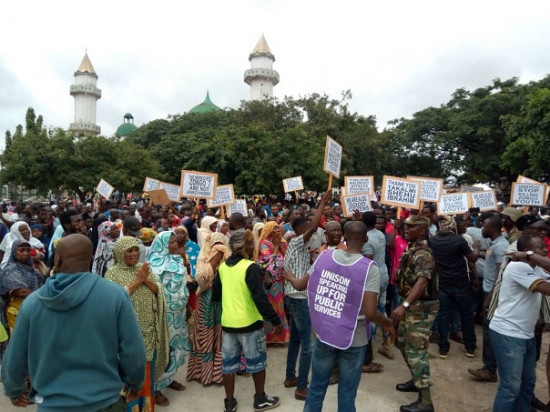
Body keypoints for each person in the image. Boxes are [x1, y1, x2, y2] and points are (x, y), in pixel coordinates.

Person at [1, 234, 146, 410]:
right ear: (91, 259)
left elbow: (15, 356)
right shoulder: (115, 295)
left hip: (52, 404)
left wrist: (14, 390)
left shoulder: (33, 303)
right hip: (105, 401)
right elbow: (133, 349)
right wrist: (135, 382)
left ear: (57, 258)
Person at [285, 221, 395, 412]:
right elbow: (370, 312)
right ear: (366, 239)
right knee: (347, 393)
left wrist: (291, 277)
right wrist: (388, 323)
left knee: (317, 388)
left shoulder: (324, 257)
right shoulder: (370, 268)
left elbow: (301, 285)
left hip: (325, 333)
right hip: (355, 338)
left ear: (344, 235)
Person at [212, 229, 282, 412]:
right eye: (251, 243)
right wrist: (276, 321)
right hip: (250, 324)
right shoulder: (250, 267)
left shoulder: (223, 267)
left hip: (228, 324)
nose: (254, 247)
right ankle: (260, 399)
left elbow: (216, 295)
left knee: (228, 366)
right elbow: (260, 299)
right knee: (257, 363)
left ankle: (229, 403)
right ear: (244, 247)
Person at [106, 237, 170, 411]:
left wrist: (145, 279)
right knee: (129, 375)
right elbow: (115, 299)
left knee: (146, 376)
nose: (135, 254)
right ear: (120, 253)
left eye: (136, 250)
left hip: (149, 331)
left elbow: (158, 290)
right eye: (130, 250)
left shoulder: (143, 269)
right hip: (127, 334)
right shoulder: (112, 273)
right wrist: (137, 281)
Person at [489, 234, 550, 411]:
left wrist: (532, 256)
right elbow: (546, 289)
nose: (545, 250)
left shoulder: (535, 268)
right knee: (510, 388)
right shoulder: (517, 267)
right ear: (526, 251)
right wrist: (530, 256)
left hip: (526, 334)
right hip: (508, 334)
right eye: (540, 247)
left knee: (527, 384)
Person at [283, 191, 331, 400]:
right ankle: (302, 387)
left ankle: (290, 377)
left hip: (292, 296)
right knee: (308, 344)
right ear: (302, 230)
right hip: (299, 297)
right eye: (309, 230)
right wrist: (322, 203)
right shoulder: (297, 241)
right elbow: (313, 227)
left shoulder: (296, 246)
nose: (313, 233)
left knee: (295, 339)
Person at [390, 216, 439, 412]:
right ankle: (416, 380)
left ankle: (425, 402)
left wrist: (404, 305)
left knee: (416, 351)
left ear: (422, 230)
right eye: (405, 225)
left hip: (420, 308)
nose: (406, 228)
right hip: (411, 305)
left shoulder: (423, 254)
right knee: (402, 342)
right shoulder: (413, 248)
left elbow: (422, 283)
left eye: (412, 226)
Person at [148, 231, 191, 406]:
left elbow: (183, 285)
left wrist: (187, 306)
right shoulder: (152, 265)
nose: (175, 244)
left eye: (175, 241)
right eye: (172, 242)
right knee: (163, 348)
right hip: (164, 315)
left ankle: (169, 378)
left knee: (175, 346)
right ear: (162, 245)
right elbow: (152, 293)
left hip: (178, 314)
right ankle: (156, 387)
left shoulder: (177, 260)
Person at [428, 215, 479, 358]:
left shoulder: (433, 241)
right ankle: (470, 347)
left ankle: (443, 348)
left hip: (443, 283)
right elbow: (472, 258)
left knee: (444, 315)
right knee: (467, 315)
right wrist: (475, 248)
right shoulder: (458, 240)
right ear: (452, 226)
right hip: (461, 284)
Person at [468, 215, 508, 383]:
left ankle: (490, 369)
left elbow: (501, 273)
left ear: (492, 229)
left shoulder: (500, 246)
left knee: (489, 328)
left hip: (491, 292)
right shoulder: (495, 245)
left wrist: (491, 297)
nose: (481, 229)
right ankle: (490, 366)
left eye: (484, 226)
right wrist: (481, 253)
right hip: (487, 288)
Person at [187, 232, 230, 385]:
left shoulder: (229, 258)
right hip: (206, 300)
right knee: (205, 333)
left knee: (220, 334)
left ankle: (218, 373)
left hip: (223, 301)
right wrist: (215, 259)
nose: (218, 248)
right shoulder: (203, 258)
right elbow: (201, 279)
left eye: (221, 244)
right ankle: (202, 373)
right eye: (214, 244)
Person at [361, 211, 390, 373]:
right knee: (382, 309)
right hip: (383, 275)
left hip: (373, 279)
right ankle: (386, 343)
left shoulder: (366, 239)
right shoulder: (379, 234)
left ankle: (368, 349)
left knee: (369, 314)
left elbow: (368, 259)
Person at [254, 221, 289, 344]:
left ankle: (279, 338)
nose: (277, 231)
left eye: (278, 229)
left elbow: (288, 256)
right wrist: (276, 246)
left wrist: (281, 244)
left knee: (279, 308)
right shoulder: (264, 244)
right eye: (274, 229)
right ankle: (269, 338)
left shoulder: (282, 241)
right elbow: (268, 262)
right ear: (268, 230)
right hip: (268, 282)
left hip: (280, 280)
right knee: (270, 308)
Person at [0, 240, 44, 334]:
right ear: (14, 251)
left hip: (34, 307)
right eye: (22, 250)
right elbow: (21, 291)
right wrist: (43, 294)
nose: (25, 253)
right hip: (18, 310)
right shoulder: (10, 269)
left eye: (28, 251)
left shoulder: (29, 268)